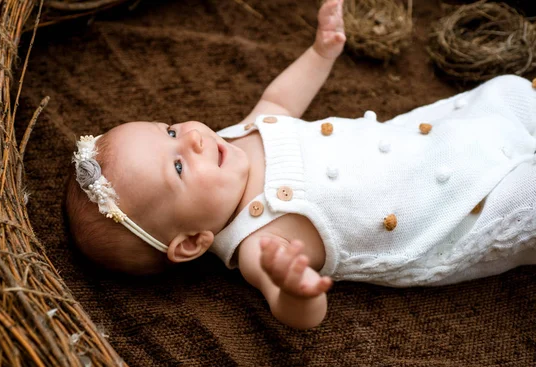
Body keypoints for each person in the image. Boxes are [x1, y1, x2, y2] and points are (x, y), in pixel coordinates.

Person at [65, 0, 536, 329]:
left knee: (507, 100)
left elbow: (279, 102)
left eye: (169, 129)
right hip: (444, 211)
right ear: (191, 242)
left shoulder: (236, 138)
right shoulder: (257, 246)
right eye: (179, 167)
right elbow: (291, 311)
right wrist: (298, 289)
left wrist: (320, 51)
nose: (191, 137)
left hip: (427, 143)